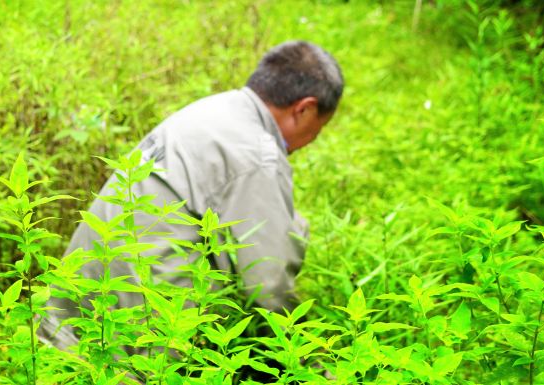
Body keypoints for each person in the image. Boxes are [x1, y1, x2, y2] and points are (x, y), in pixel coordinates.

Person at [39, 40, 344, 350]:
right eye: (316, 131)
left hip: (65, 324)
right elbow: (267, 287)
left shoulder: (214, 111)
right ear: (304, 109)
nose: (309, 143)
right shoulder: (256, 154)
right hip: (131, 355)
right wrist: (313, 363)